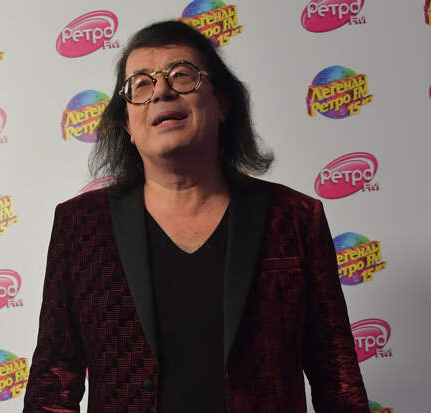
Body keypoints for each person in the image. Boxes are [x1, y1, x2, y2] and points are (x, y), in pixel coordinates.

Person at [23, 20, 369, 413]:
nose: (162, 92)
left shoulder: (294, 217)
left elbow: (337, 378)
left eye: (181, 75)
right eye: (141, 84)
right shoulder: (80, 225)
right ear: (127, 124)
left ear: (222, 103)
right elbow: (52, 385)